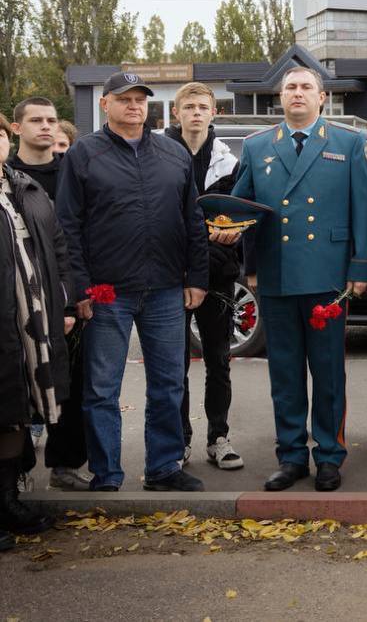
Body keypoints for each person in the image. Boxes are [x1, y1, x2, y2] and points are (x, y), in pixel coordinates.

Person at [56, 71, 208, 492]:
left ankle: (163, 468)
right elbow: (68, 225)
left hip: (163, 289)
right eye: (124, 98)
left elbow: (192, 220)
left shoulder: (173, 154)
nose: (134, 105)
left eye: (140, 98)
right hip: (107, 293)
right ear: (106, 104)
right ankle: (106, 473)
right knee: (102, 388)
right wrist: (81, 288)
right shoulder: (83, 155)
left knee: (168, 383)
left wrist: (196, 276)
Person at [232, 65, 367, 493]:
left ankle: (330, 455)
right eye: (290, 87)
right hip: (277, 276)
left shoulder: (348, 143)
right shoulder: (257, 147)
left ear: (322, 98)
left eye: (306, 87)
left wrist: (361, 268)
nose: (297, 93)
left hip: (327, 277)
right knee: (286, 374)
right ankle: (291, 455)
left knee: (329, 373)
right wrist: (239, 249)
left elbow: (363, 210)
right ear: (280, 96)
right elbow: (242, 208)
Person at [7, 98, 91, 491]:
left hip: (62, 298)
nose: (45, 126)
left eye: (51, 120)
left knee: (70, 382)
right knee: (15, 386)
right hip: (14, 300)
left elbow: (70, 242)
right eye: (36, 120)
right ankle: (17, 473)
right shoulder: (10, 177)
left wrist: (72, 298)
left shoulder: (71, 172)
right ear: (17, 128)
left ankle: (66, 464)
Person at [163, 82, 244, 472]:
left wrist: (214, 239)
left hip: (218, 277)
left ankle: (219, 437)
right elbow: (159, 222)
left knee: (218, 359)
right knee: (173, 363)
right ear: (175, 114)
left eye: (203, 107)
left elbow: (232, 223)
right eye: (189, 106)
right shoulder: (157, 157)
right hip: (170, 277)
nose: (196, 112)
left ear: (215, 113)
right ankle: (179, 441)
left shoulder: (230, 164)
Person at [1, 151, 71, 549]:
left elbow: (57, 246)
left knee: (14, 410)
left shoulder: (26, 189)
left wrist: (63, 300)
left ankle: (8, 503)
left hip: (30, 316)